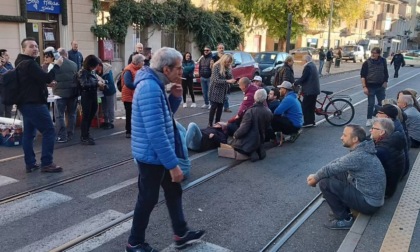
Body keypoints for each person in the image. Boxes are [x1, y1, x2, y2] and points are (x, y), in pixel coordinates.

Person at [126, 47, 205, 252]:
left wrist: (175, 98)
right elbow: (156, 132)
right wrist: (173, 165)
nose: (182, 72)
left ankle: (181, 232)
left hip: (157, 153)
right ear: (166, 68)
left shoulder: (155, 84)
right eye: (179, 68)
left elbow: (162, 116)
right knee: (148, 199)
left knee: (173, 191)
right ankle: (134, 242)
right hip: (152, 156)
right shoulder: (150, 88)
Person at [307, 125, 386, 230]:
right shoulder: (363, 149)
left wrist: (315, 179)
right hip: (372, 197)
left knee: (324, 182)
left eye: (344, 135)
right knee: (335, 173)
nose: (341, 137)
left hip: (369, 203)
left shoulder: (358, 156)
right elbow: (338, 162)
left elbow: (330, 169)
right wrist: (317, 174)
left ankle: (344, 220)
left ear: (355, 139)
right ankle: (340, 207)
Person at [15, 37, 64, 173]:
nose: (35, 48)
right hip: (34, 104)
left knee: (29, 134)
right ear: (23, 48)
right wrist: (57, 65)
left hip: (25, 103)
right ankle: (47, 163)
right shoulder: (29, 63)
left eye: (36, 46)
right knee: (49, 131)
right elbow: (47, 77)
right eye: (31, 46)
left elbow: (33, 81)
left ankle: (30, 163)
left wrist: (46, 83)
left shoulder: (20, 62)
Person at [232, 89, 272, 162]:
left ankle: (251, 152)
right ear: (264, 99)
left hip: (250, 140)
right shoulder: (268, 111)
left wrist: (235, 135)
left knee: (234, 143)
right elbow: (268, 127)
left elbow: (244, 128)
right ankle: (258, 149)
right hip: (261, 138)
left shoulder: (250, 111)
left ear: (254, 98)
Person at [370, 118, 405, 198]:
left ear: (382, 132)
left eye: (373, 128)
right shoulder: (393, 140)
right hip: (391, 184)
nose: (370, 130)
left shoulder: (381, 150)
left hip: (385, 190)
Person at [76, 55, 105, 145]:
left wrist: (101, 83)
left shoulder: (91, 71)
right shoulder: (82, 72)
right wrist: (97, 83)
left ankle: (86, 134)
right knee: (86, 116)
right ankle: (84, 136)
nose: (96, 67)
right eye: (95, 65)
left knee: (91, 115)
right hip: (86, 96)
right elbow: (84, 84)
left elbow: (94, 81)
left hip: (93, 95)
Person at [376, 104, 410, 178]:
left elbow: (381, 150)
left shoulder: (391, 129)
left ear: (386, 117)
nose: (376, 114)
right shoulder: (395, 123)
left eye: (379, 113)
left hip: (398, 174)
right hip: (402, 169)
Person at [53, 48, 78, 143]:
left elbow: (51, 78)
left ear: (59, 55)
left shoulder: (56, 65)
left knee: (59, 115)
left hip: (59, 94)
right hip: (72, 93)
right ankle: (70, 134)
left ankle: (62, 136)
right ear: (66, 54)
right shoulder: (74, 64)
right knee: (72, 114)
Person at [361, 47, 388, 127]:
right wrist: (364, 87)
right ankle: (369, 119)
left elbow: (385, 72)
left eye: (375, 53)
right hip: (370, 86)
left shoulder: (383, 61)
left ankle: (374, 115)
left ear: (378, 54)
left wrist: (385, 81)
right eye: (372, 52)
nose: (373, 54)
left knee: (382, 103)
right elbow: (362, 76)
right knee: (371, 104)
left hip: (380, 86)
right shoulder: (366, 63)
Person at [208, 54, 236, 127]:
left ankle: (217, 123)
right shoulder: (216, 66)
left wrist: (231, 78)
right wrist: (227, 81)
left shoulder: (228, 68)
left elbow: (230, 77)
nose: (228, 63)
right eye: (227, 62)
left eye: (230, 62)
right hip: (215, 89)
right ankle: (210, 123)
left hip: (223, 90)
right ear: (224, 60)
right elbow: (215, 80)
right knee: (214, 107)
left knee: (220, 107)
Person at [121, 54, 145, 138]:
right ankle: (129, 131)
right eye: (142, 61)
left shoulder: (140, 69)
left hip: (135, 95)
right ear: (137, 62)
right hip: (128, 96)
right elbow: (128, 83)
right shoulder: (128, 70)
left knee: (136, 114)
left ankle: (135, 130)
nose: (143, 63)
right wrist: (139, 85)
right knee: (129, 114)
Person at [294, 55, 320, 127]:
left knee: (305, 106)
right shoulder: (313, 65)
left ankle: (307, 122)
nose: (301, 61)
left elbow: (304, 78)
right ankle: (312, 121)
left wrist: (295, 83)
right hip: (314, 89)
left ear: (305, 61)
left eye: (302, 60)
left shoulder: (308, 67)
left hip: (309, 90)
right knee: (311, 106)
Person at [96, 61, 116, 129]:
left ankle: (111, 122)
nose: (95, 68)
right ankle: (106, 121)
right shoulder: (97, 71)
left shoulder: (107, 71)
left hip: (109, 91)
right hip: (103, 92)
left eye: (96, 66)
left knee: (110, 107)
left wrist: (103, 82)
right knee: (104, 107)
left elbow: (110, 82)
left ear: (99, 65)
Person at [212, 43, 231, 112]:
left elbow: (229, 67)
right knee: (215, 94)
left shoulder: (226, 57)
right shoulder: (214, 57)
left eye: (222, 48)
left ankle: (226, 107)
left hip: (224, 77)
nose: (221, 49)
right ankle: (215, 107)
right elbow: (212, 66)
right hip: (217, 77)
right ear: (217, 49)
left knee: (224, 94)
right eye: (220, 48)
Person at [0, 49, 14, 117]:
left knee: (9, 112)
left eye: (8, 55)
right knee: (1, 112)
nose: (8, 57)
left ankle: (9, 127)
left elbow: (12, 76)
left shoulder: (9, 65)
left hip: (9, 92)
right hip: (1, 93)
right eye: (6, 55)